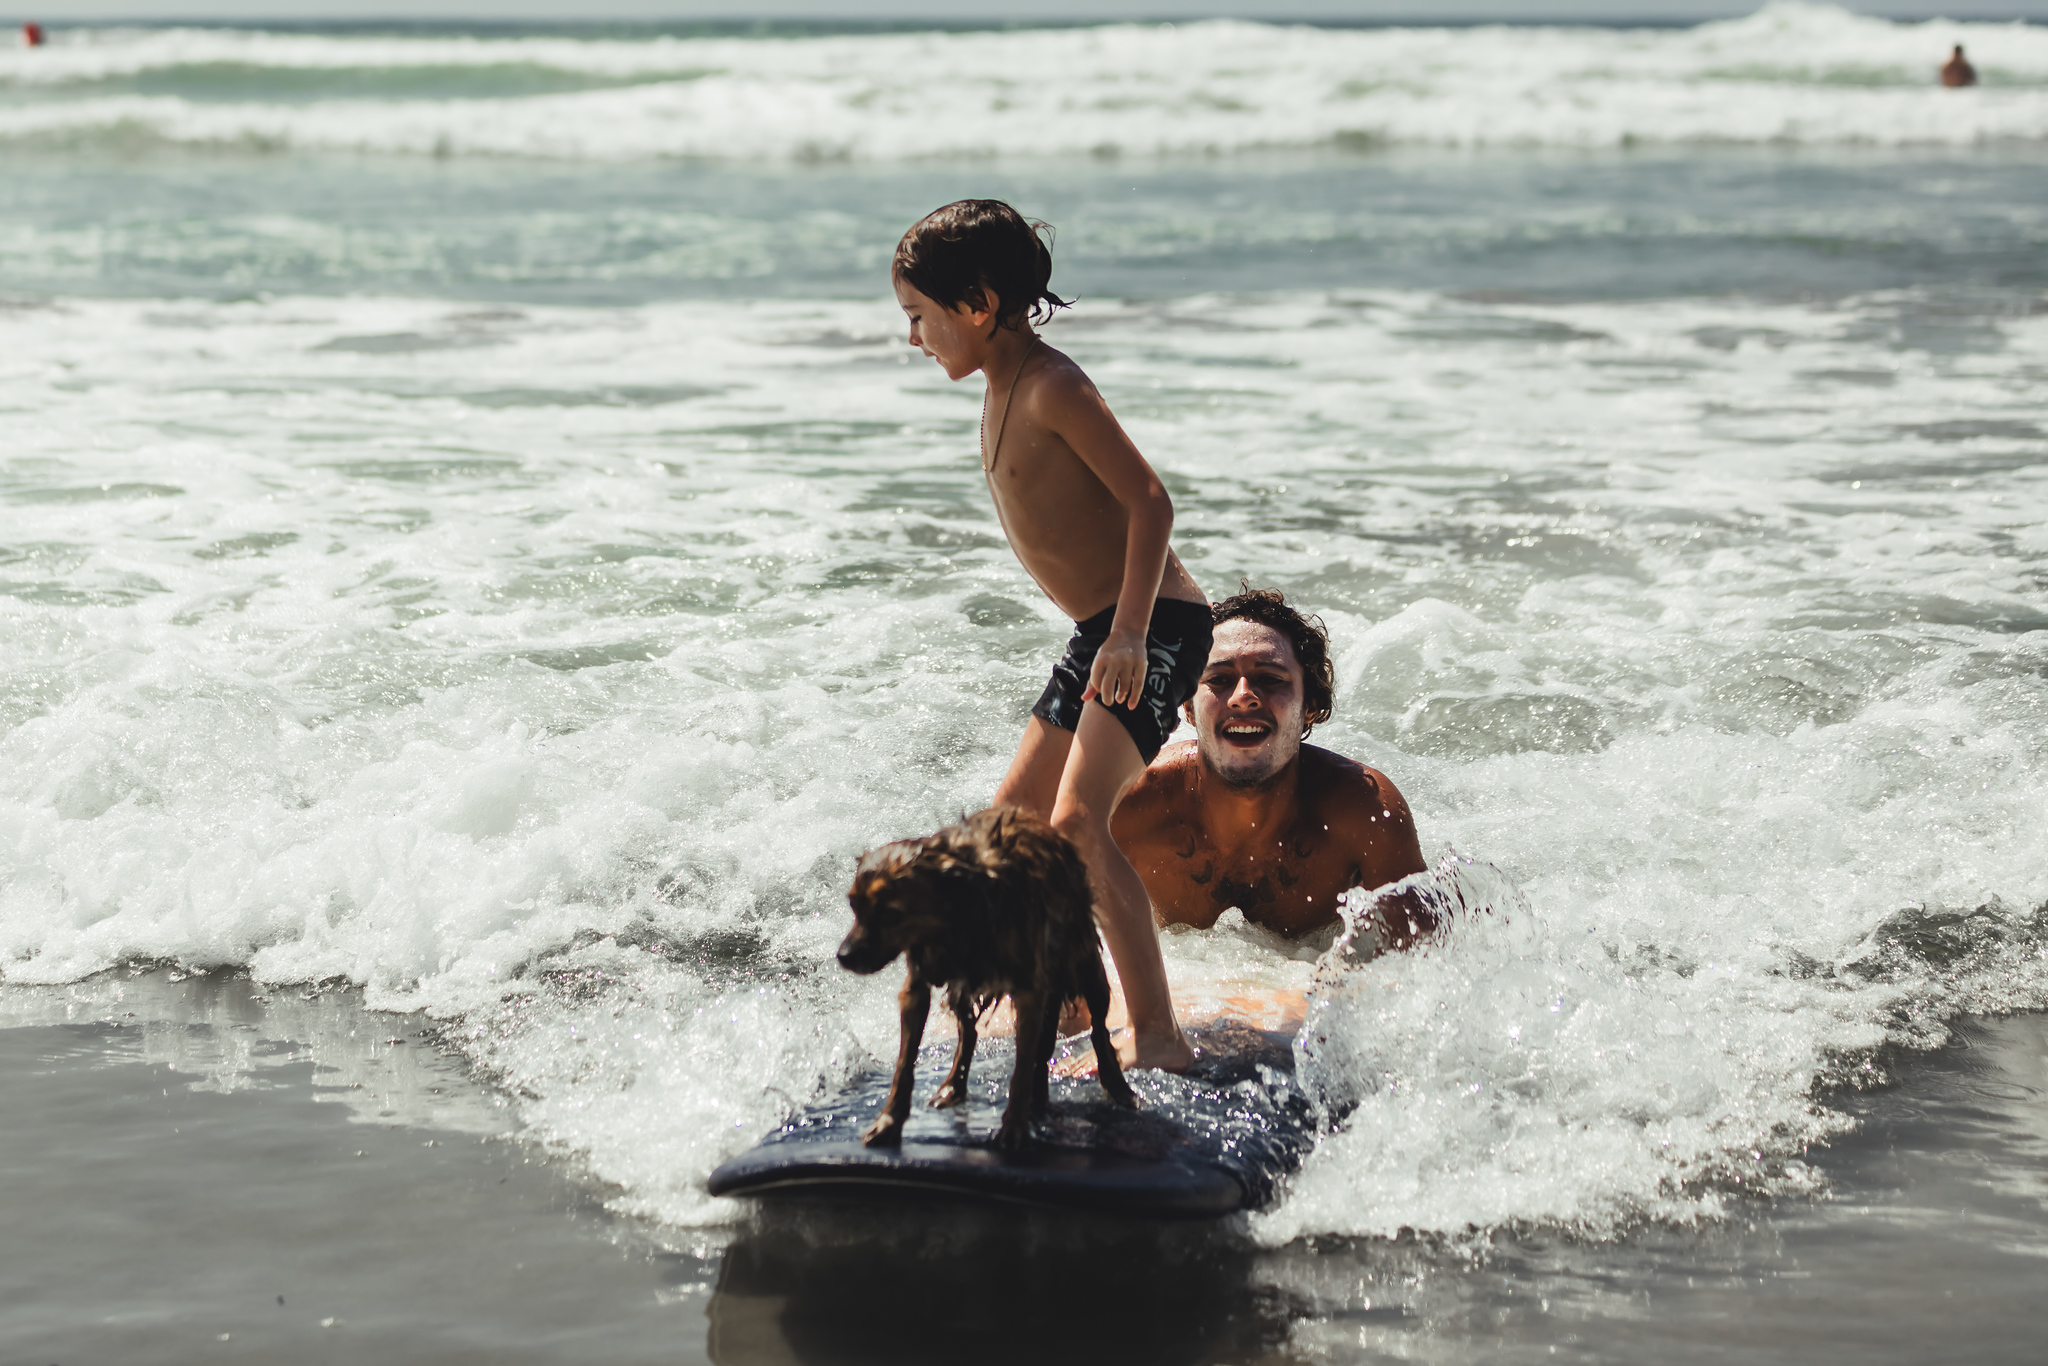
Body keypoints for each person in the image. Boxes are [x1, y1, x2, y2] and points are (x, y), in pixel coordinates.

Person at [892, 200, 1210, 1072]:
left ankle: (1157, 1038)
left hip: (1156, 627)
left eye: (919, 317)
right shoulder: (999, 386)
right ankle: (1070, 1005)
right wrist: (1109, 634)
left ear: (979, 304)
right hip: (1099, 633)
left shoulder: (1052, 387)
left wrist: (1135, 636)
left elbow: (1152, 503)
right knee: (1009, 831)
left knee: (1075, 825)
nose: (913, 339)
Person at [1113, 587, 1427, 943]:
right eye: (1219, 679)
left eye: (1270, 679)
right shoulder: (1130, 803)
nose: (1244, 696)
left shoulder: (1366, 813)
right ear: (1188, 706)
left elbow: (1421, 965)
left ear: (1310, 704)